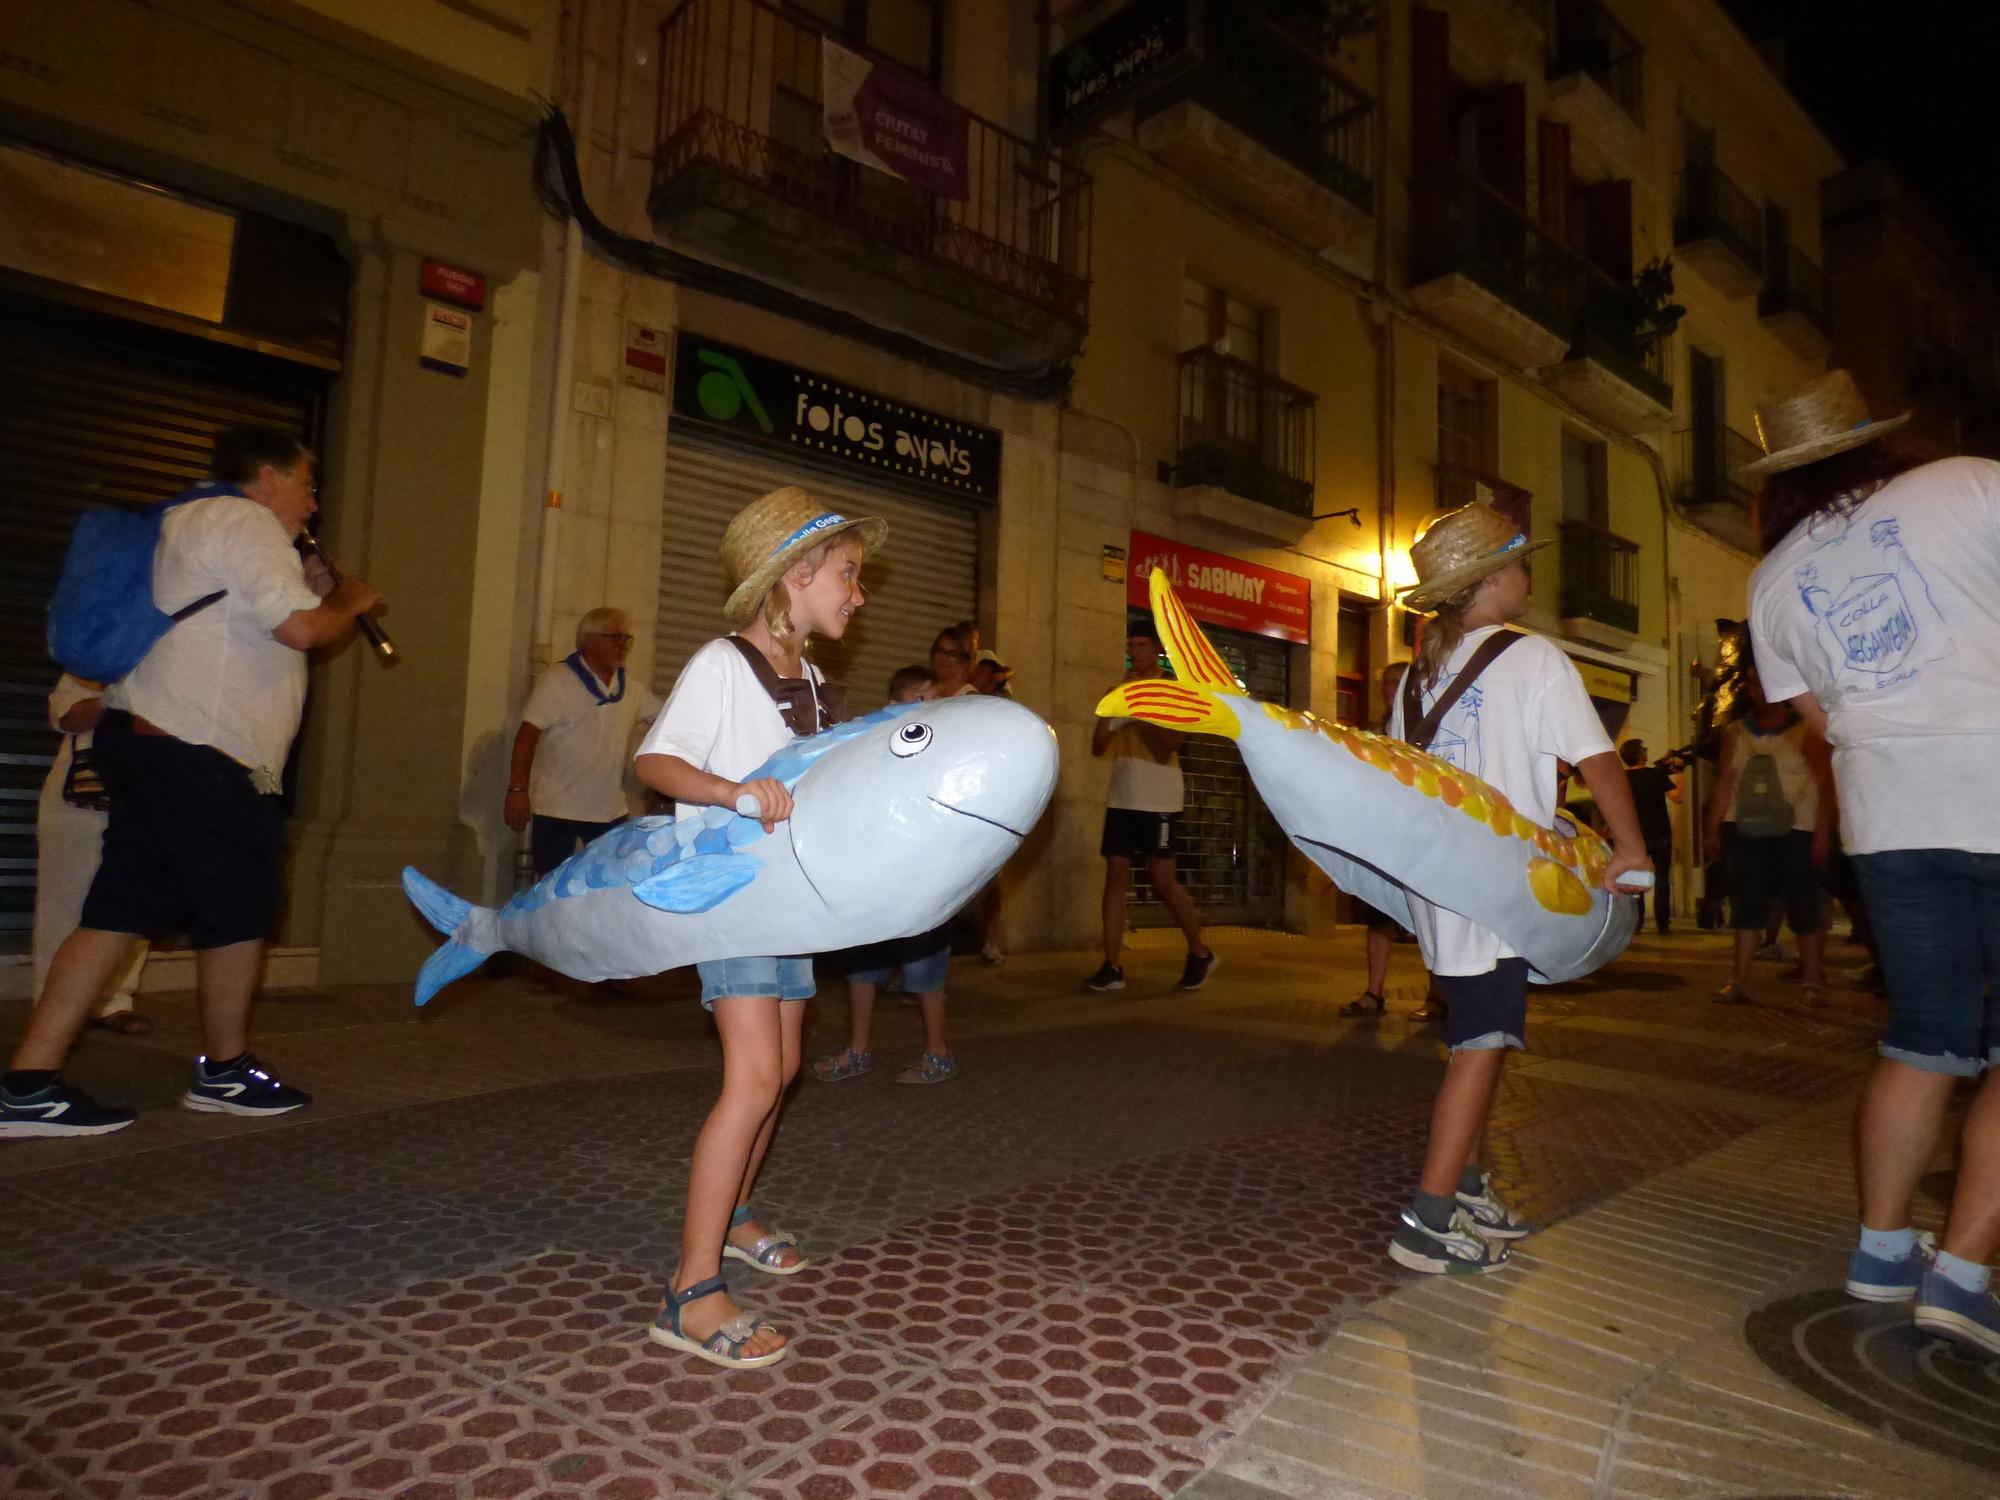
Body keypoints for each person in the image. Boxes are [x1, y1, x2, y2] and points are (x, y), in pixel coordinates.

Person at [0, 426, 382, 1138]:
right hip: (200, 751)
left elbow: (246, 622)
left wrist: (311, 588)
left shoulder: (185, 517)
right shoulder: (245, 520)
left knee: (119, 909)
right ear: (267, 476)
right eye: (306, 484)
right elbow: (301, 633)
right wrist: (346, 604)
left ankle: (29, 1082)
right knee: (240, 904)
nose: (312, 503)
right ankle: (225, 1070)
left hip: (149, 743)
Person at [1742, 368, 2000, 1355]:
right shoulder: (1966, 483)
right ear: (1871, 440)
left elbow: (1822, 723)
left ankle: (1880, 1250)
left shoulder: (1769, 582)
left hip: (1888, 820)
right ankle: (1964, 1274)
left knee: (1922, 1034)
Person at [634, 485, 883, 1369]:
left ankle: (734, 1218)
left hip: (788, 904)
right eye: (849, 574)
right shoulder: (721, 664)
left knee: (779, 1074)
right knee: (752, 1079)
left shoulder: (812, 680)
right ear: (798, 572)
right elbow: (656, 760)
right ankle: (689, 1291)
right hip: (736, 893)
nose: (859, 593)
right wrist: (732, 792)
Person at [1386, 503, 1650, 1274]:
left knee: (1482, 1034)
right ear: (1494, 577)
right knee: (1481, 1043)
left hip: (1441, 888)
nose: (1530, 574)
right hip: (1502, 887)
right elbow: (1597, 760)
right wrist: (1628, 845)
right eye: (1521, 562)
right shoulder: (1533, 659)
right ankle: (1426, 1223)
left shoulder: (1412, 678)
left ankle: (1466, 1184)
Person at [813, 664, 958, 1086]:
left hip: (926, 877)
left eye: (937, 698)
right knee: (862, 967)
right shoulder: (879, 740)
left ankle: (939, 1052)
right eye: (923, 698)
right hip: (878, 873)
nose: (933, 707)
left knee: (926, 972)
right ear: (897, 703)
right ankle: (857, 1049)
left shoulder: (945, 745)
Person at [1086, 620, 1216, 994]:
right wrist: (1113, 718)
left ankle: (1200, 952)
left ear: (1157, 650)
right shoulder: (1119, 689)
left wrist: (1140, 716)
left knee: (1163, 881)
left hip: (1159, 796)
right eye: (1131, 645)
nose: (1135, 652)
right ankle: (1112, 966)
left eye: (1141, 645)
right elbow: (1097, 747)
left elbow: (1171, 744)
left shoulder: (1168, 690)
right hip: (1123, 794)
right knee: (1115, 875)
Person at [33, 675, 151, 1037]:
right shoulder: (95, 658)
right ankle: (51, 1004)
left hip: (145, 793)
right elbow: (68, 716)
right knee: (64, 902)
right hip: (80, 797)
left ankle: (114, 1000)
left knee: (134, 902)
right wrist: (129, 700)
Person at [1703, 676, 1833, 1005]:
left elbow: (1824, 781)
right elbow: (1725, 782)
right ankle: (1739, 980)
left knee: (1804, 903)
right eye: (1756, 685)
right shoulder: (1736, 732)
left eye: (1768, 683)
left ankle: (1813, 983)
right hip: (1745, 828)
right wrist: (1713, 827)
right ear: (1749, 690)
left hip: (1797, 829)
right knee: (1746, 904)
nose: (1764, 691)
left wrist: (1822, 832)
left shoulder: (1807, 729)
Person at [504, 607, 662, 876]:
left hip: (609, 810)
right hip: (557, 808)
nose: (623, 646)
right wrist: (517, 791)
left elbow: (665, 719)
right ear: (588, 640)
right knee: (550, 890)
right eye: (614, 637)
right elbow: (527, 735)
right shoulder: (558, 681)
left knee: (607, 886)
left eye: (627, 639)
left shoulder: (630, 688)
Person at [1341, 660, 1439, 1020]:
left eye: (1396, 682)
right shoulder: (1377, 730)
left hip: (1419, 834)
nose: (1387, 688)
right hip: (1385, 834)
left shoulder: (1426, 727)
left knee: (1428, 916)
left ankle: (1437, 995)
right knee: (1377, 914)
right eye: (1384, 682)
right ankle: (1374, 992)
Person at [1620, 740, 1684, 936]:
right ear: (1641, 755)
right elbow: (1677, 796)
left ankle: (1637, 923)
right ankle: (1663, 926)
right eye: (1645, 750)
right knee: (1662, 879)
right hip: (1660, 833)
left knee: (1636, 880)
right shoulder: (1656, 775)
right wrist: (1680, 774)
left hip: (1634, 836)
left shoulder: (1622, 778)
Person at [930, 625, 977, 697]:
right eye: (940, 651)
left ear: (964, 662)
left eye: (952, 654)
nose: (944, 657)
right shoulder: (921, 692)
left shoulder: (970, 698)